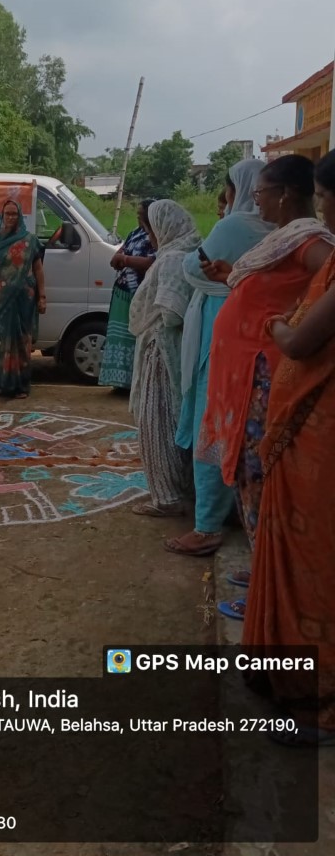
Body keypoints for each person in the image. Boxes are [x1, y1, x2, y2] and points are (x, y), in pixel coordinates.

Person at [196, 155, 335, 619]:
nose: (256, 201)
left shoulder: (310, 240)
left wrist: (287, 321)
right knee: (248, 474)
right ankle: (263, 571)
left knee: (259, 476)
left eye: (261, 193)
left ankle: (267, 590)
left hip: (265, 377)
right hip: (248, 376)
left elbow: (327, 275)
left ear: (286, 194)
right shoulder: (284, 239)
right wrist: (229, 277)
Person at [242, 149, 335, 744]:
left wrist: (278, 324)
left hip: (323, 442)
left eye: (326, 198)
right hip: (311, 435)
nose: (323, 209)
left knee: (317, 562)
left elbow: (301, 342)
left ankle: (322, 705)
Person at [166, 159, 273, 557]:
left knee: (213, 423)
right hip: (261, 341)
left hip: (223, 338)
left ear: (237, 189)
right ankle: (235, 514)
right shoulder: (284, 231)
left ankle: (207, 524)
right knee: (246, 429)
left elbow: (192, 267)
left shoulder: (234, 226)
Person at [127, 200, 201, 516]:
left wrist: (154, 317)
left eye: (151, 230)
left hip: (162, 351)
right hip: (174, 349)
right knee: (173, 421)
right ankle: (179, 491)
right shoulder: (189, 252)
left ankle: (168, 496)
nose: (150, 237)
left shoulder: (171, 260)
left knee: (157, 423)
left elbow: (171, 313)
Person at [0, 199, 46, 400]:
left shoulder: (29, 240)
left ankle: (20, 387)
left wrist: (42, 296)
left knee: (21, 342)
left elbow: (38, 269)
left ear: (19, 216)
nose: (10, 217)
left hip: (23, 300)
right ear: (2, 215)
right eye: (7, 214)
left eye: (14, 214)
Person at [98, 199, 156, 390]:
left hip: (139, 294)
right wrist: (122, 258)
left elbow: (151, 262)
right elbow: (117, 255)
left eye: (141, 214)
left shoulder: (156, 236)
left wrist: (125, 259)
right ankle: (119, 381)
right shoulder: (135, 233)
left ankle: (133, 381)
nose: (138, 217)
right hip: (123, 293)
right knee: (120, 336)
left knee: (135, 337)